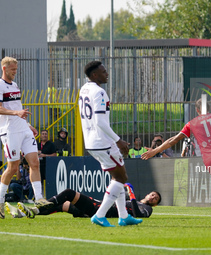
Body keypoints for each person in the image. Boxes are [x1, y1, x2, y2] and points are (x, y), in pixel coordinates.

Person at [79, 60, 142, 227]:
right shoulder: (99, 92)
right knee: (121, 178)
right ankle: (99, 215)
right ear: (94, 75)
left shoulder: (84, 89)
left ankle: (123, 216)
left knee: (116, 178)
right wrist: (118, 140)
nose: (107, 74)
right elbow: (100, 121)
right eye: (103, 71)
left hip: (91, 141)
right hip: (103, 142)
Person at [0, 56, 53, 219]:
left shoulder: (14, 85)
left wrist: (27, 124)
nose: (15, 72)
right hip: (10, 131)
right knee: (13, 167)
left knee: (34, 162)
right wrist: (16, 114)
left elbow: (18, 107)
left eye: (16, 69)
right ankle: (0, 200)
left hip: (23, 129)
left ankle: (39, 199)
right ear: (4, 68)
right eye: (12, 69)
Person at [6, 184, 161, 219]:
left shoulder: (147, 209)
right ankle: (26, 212)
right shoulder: (126, 198)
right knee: (62, 206)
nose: (153, 197)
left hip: (98, 209)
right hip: (98, 206)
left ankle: (38, 206)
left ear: (154, 204)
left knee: (68, 193)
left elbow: (139, 215)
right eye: (153, 194)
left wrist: (132, 195)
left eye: (155, 199)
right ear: (148, 194)